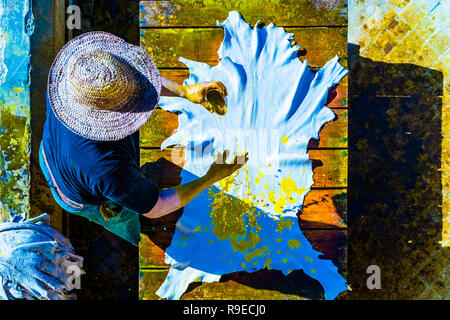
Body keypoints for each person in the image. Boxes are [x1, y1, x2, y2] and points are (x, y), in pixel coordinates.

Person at [40, 31, 248, 245]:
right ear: (114, 116)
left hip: (50, 151)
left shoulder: (72, 78)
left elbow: (133, 79)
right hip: (75, 195)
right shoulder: (106, 168)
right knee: (125, 216)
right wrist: (211, 177)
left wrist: (185, 91)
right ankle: (132, 236)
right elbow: (157, 207)